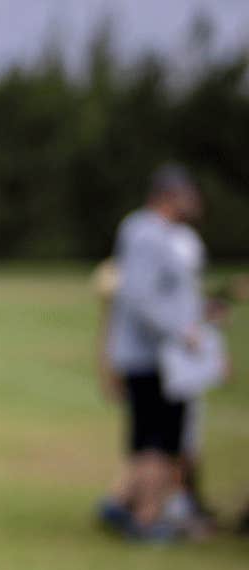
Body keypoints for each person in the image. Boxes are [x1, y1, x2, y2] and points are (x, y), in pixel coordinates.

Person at [99, 164, 207, 541]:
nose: (195, 201)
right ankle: (147, 518)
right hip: (156, 358)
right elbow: (140, 297)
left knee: (152, 438)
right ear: (168, 195)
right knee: (158, 441)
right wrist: (182, 331)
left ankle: (123, 504)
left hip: (156, 357)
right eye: (188, 194)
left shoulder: (156, 234)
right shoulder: (147, 234)